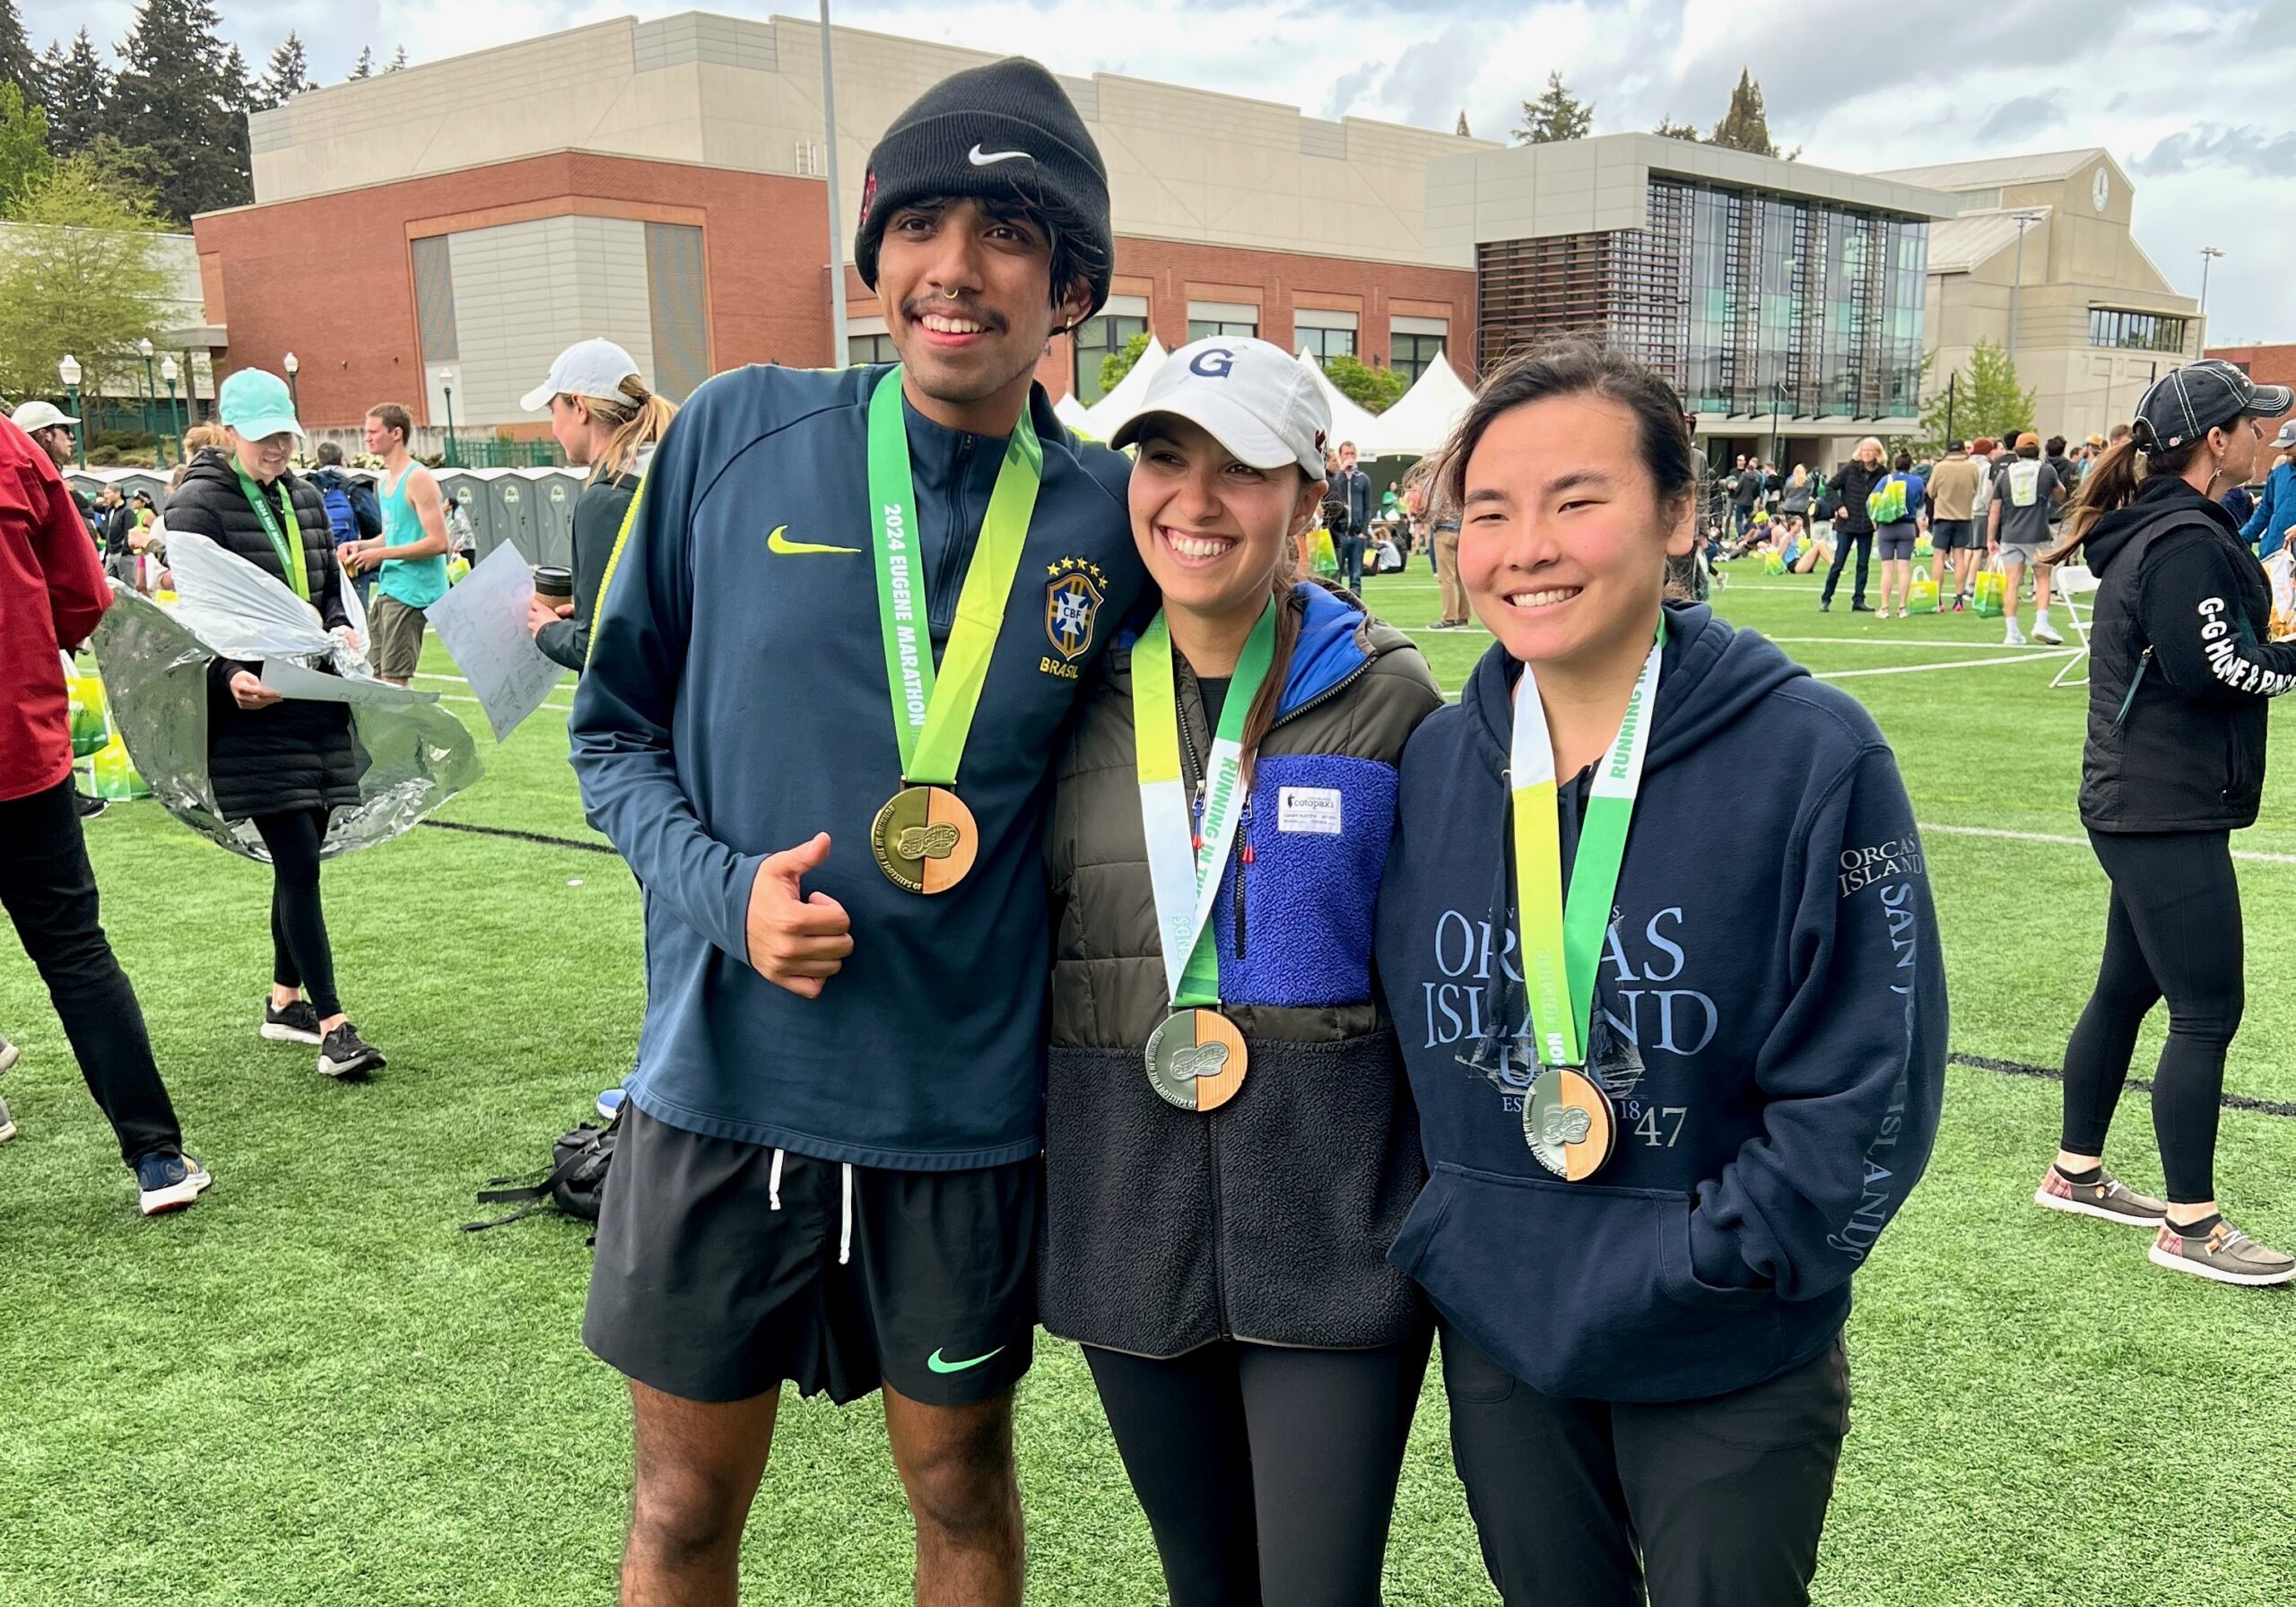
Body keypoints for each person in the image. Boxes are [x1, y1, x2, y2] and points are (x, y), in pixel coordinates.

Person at [570, 58, 1147, 1606]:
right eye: (925, 224)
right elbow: (610, 733)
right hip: (720, 1083)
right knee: (684, 1502)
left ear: (1072, 282)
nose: (957, 268)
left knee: (961, 1482)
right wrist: (723, 894)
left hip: (958, 1108)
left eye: (1010, 230)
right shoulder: (736, 436)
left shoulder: (1112, 514)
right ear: (874, 258)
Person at [1376, 339, 1946, 1605]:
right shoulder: (1435, 765)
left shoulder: (1813, 754)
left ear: (1678, 515)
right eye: (1490, 511)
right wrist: (1465, 1238)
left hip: (1722, 1341)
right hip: (1507, 1330)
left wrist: (1719, 1262)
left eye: (1578, 501)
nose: (1528, 546)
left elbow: (1875, 1091)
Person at [1041, 337, 1441, 1607]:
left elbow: (1444, 979)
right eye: (1166, 459)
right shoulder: (1071, 701)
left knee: (1320, 1592)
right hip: (1124, 1201)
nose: (1196, 500)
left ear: (1308, 497)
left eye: (1243, 468)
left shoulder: (1393, 701)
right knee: (1204, 1584)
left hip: (1336, 1210)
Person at [2033, 360, 2296, 1287]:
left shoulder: (2170, 529)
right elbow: (2211, 668)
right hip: (2161, 806)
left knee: (2126, 989)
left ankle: (2074, 1172)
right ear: (2214, 440)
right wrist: (2293, 661)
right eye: (2255, 422)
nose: (2269, 433)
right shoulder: (2182, 540)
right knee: (2208, 1008)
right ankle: (2190, 1226)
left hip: (2145, 800)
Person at [0, 411, 209, 1215]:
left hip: (22, 745)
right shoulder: (18, 452)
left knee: (76, 953)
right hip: (19, 748)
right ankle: (155, 1156)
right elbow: (83, 594)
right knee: (75, 955)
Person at [161, 369, 387, 1081]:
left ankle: (282, 1000)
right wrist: (227, 675)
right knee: (296, 861)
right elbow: (189, 624)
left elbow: (325, 591)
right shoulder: (195, 506)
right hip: (252, 714)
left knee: (304, 858)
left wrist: (345, 631)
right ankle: (333, 1025)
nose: (278, 448)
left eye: (285, 433)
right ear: (229, 433)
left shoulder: (308, 497)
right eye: (262, 437)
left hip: (314, 699)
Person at [519, 339, 677, 673]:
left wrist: (546, 630)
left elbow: (599, 647)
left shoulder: (607, 496)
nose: (552, 427)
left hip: (636, 716)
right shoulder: (668, 472)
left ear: (579, 406)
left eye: (553, 411)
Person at [343, 403, 451, 686]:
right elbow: (395, 535)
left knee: (393, 683)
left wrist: (381, 555)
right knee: (373, 677)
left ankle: (408, 732)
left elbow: (439, 542)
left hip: (413, 591)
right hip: (390, 587)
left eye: (372, 432)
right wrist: (361, 546)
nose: (366, 438)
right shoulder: (383, 481)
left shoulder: (418, 478)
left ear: (396, 433)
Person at [1985, 432, 2068, 646]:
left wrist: (1990, 538)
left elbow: (1994, 509)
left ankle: (2012, 632)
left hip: (2010, 535)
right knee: (2042, 578)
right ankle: (2041, 622)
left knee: (2011, 583)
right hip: (2038, 533)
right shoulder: (2046, 470)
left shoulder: (2005, 474)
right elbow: (2061, 494)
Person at [309, 439, 382, 606]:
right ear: (342, 460)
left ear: (319, 462)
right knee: (357, 624)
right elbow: (376, 527)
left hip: (318, 569)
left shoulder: (307, 489)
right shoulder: (354, 490)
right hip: (353, 567)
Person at [1819, 437, 1885, 612]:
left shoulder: (1883, 474)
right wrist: (1839, 506)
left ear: (1877, 454)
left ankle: (1859, 599)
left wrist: (1879, 516)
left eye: (1870, 450)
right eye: (1864, 450)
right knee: (1838, 562)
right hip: (1847, 524)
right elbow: (1830, 487)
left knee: (1863, 564)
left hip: (1867, 524)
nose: (1866, 453)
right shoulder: (1850, 470)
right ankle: (1826, 598)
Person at [1924, 439, 1981, 611]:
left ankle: (1937, 599)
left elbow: (1931, 491)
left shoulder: (1940, 467)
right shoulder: (1972, 467)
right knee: (1960, 557)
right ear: (1963, 450)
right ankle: (1958, 599)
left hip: (1943, 517)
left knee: (1939, 557)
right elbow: (1975, 489)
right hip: (1964, 516)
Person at [1871, 450, 1926, 619]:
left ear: (1895, 465)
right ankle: (1902, 607)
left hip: (1887, 526)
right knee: (1904, 568)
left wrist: (1875, 522)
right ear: (1911, 465)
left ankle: (1885, 607)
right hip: (1907, 527)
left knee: (1886, 569)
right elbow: (1920, 503)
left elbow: (1872, 500)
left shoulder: (1886, 480)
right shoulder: (1917, 481)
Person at [2237, 418, 2296, 559]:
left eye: (2289, 446)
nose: (2284, 451)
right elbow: (2265, 511)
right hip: (2273, 553)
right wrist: (2240, 539)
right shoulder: (2279, 473)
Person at [1329, 439, 1372, 592]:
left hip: (1356, 535)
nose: (1350, 457)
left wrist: (1364, 531)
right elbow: (1331, 491)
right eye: (1347, 454)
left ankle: (1358, 611)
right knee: (1337, 577)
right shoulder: (1335, 477)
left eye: (1352, 453)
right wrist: (1341, 472)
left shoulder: (1363, 479)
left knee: (1356, 578)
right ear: (1340, 456)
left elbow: (1367, 507)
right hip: (1339, 535)